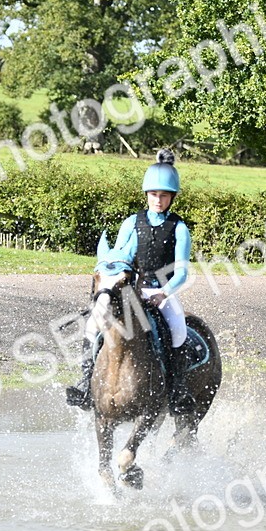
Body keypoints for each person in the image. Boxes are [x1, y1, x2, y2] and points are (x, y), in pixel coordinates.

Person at [66, 149, 196, 414]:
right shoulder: (131, 223)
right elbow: (117, 259)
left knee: (179, 330)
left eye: (163, 196)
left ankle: (177, 389)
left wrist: (164, 293)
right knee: (92, 326)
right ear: (146, 195)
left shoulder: (179, 229)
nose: (158, 201)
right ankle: (84, 384)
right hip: (128, 291)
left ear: (172, 198)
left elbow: (182, 273)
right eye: (153, 195)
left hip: (163, 292)